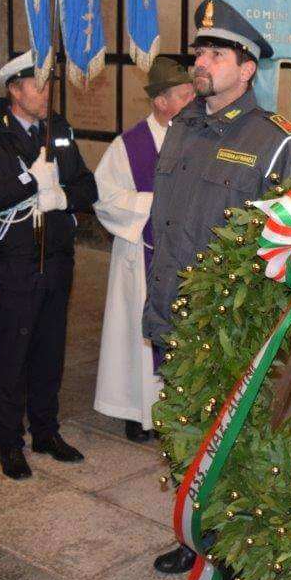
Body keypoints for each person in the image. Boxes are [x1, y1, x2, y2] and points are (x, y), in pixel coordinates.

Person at [145, 0, 291, 576]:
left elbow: (288, 245)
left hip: (232, 326)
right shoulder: (182, 127)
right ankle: (194, 533)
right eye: (200, 51)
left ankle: (235, 546)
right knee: (185, 428)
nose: (201, 62)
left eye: (217, 54)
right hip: (174, 308)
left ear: (247, 68)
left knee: (234, 438)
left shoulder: (275, 141)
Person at [0, 51, 99, 480]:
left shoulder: (60, 129)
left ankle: (45, 431)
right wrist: (28, 181)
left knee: (50, 353)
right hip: (14, 263)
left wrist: (62, 198)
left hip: (56, 258)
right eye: (38, 84)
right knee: (13, 356)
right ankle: (9, 442)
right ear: (14, 90)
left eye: (49, 82)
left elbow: (87, 185)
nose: (47, 91)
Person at [93, 58, 195, 443]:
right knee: (138, 337)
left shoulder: (199, 140)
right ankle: (138, 412)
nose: (193, 102)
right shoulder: (128, 146)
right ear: (161, 102)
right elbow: (105, 197)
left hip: (187, 257)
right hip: (142, 256)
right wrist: (155, 203)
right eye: (184, 96)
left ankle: (178, 412)